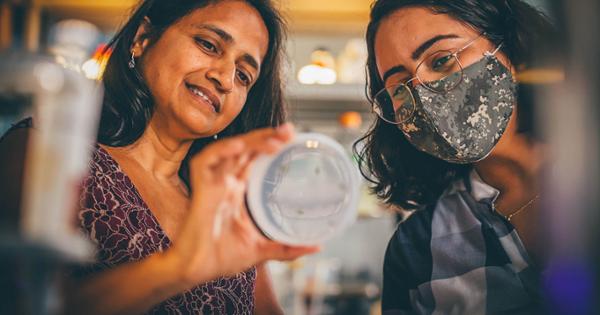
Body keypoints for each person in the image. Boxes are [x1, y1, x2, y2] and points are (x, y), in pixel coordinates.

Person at [0, 0, 319, 314]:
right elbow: (24, 302)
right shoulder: (47, 155)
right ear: (142, 38)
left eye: (243, 75)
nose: (224, 78)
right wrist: (178, 267)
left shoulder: (225, 206)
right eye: (209, 45)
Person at [355, 0, 560, 314]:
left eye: (441, 61)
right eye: (399, 88)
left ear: (511, 47)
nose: (423, 93)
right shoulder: (417, 249)